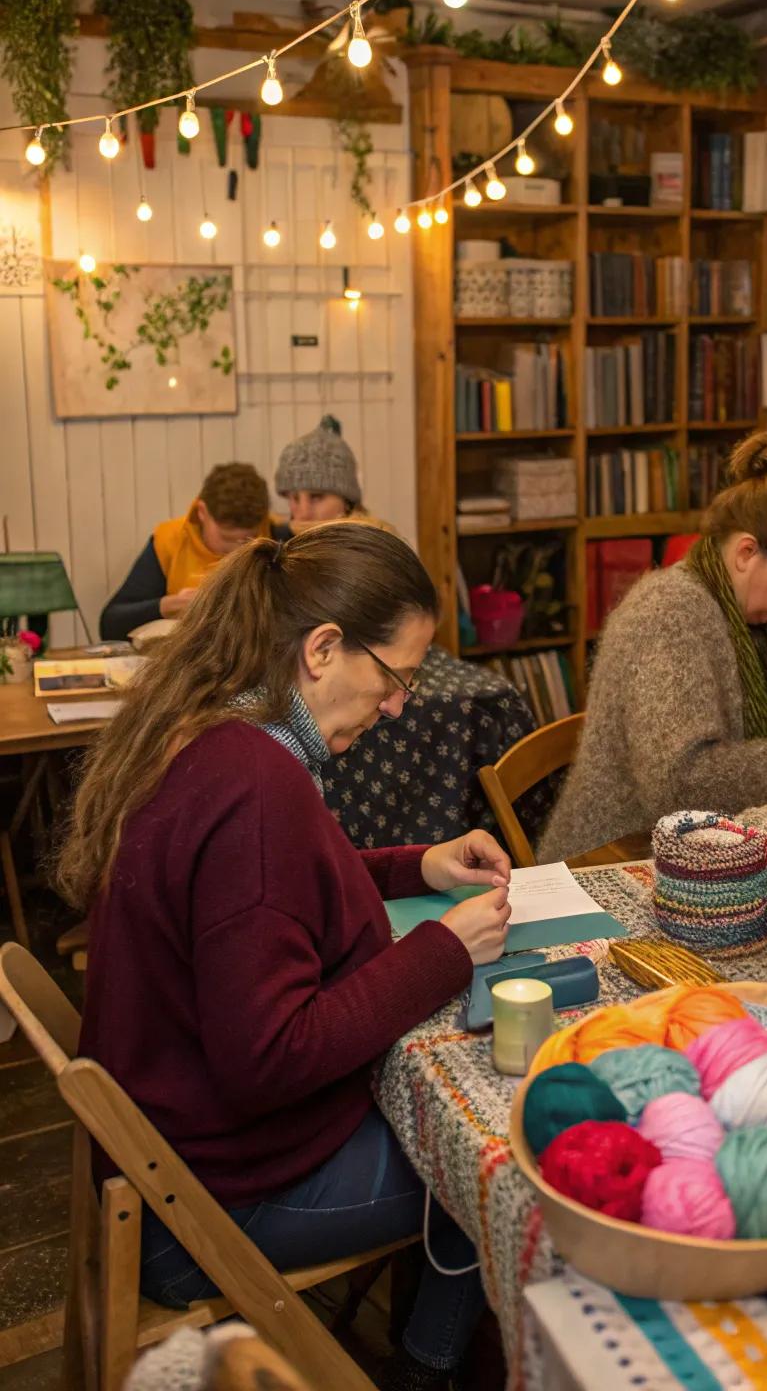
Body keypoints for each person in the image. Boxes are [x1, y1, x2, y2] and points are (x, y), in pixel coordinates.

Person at [64, 524, 513, 1391]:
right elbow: (270, 1057)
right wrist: (443, 951)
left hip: (164, 1159)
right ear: (322, 648)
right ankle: (425, 1371)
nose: (398, 707)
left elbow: (272, 894)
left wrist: (418, 866)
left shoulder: (216, 734)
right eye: (396, 678)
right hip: (209, 1207)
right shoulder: (258, 789)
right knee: (491, 1157)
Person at [539, 432, 767, 862]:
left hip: (701, 847)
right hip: (614, 855)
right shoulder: (668, 612)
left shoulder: (760, 612)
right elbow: (678, 785)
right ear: (747, 552)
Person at [99, 462, 283, 639]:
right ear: (202, 512)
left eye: (248, 540)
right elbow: (111, 624)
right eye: (226, 538)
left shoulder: (275, 536)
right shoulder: (171, 542)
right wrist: (168, 606)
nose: (236, 549)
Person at [274, 414, 365, 528]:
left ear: (347, 503)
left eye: (316, 497)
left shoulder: (376, 539)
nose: (304, 514)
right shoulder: (274, 536)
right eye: (295, 498)